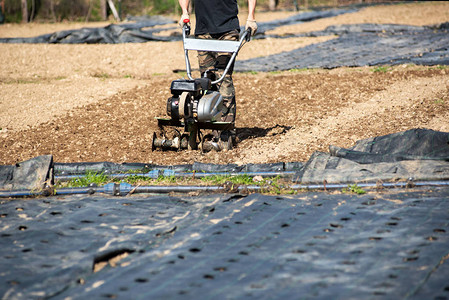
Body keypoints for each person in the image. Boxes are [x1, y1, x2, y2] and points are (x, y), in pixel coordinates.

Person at [178, 0, 257, 142]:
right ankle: (210, 126)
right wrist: (185, 11)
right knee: (206, 80)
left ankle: (226, 130)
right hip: (203, 31)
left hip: (228, 30)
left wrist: (251, 17)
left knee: (223, 78)